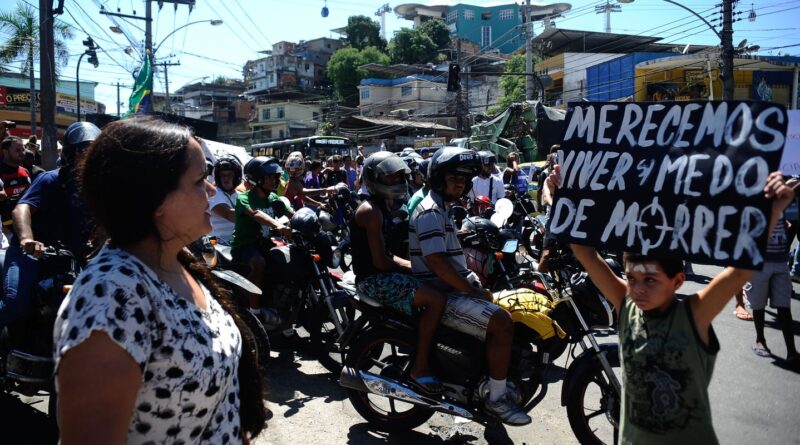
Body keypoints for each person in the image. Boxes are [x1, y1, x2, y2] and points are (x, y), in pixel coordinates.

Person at [54, 117, 266, 444]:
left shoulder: (177, 262)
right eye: (199, 181)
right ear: (154, 200)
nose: (211, 191)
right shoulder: (113, 296)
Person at [547, 165, 794, 444]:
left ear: (677, 281)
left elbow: (738, 271)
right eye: (631, 277)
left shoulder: (693, 315)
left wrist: (773, 210)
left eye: (650, 280)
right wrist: (563, 195)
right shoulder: (627, 303)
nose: (637, 289)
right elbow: (584, 252)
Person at [409, 146, 531, 425]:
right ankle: (497, 399)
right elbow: (438, 264)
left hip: (452, 288)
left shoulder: (444, 209)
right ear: (439, 178)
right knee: (501, 322)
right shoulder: (429, 211)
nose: (460, 183)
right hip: (443, 293)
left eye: (464, 179)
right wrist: (473, 291)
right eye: (454, 178)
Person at [351, 152, 447, 394]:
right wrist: (416, 267)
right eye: (390, 177)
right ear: (374, 179)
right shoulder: (370, 211)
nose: (397, 182)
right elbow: (382, 261)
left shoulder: (388, 207)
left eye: (398, 177)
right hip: (373, 280)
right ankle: (420, 366)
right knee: (436, 300)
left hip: (385, 274)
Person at [0, 123, 99, 331]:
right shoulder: (51, 179)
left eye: (94, 151)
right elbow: (22, 209)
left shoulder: (97, 188)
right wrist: (27, 239)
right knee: (15, 303)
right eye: (83, 150)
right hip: (31, 254)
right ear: (71, 153)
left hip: (71, 259)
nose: (89, 156)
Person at [230, 156, 293, 319]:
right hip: (245, 245)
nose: (275, 180)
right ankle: (255, 311)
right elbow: (256, 214)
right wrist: (277, 225)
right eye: (270, 177)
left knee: (288, 262)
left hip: (265, 243)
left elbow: (290, 212)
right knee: (259, 263)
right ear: (257, 179)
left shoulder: (273, 198)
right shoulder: (244, 198)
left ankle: (282, 308)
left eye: (276, 176)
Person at [748, 213, 798, 366]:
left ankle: (791, 350)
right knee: (758, 304)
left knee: (784, 306)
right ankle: (760, 339)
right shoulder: (758, 199)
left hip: (780, 261)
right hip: (760, 262)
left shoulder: (783, 202)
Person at [0, 136, 32, 234]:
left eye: (23, 149)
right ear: (5, 152)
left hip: (25, 228)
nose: (22, 153)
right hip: (5, 232)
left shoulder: (25, 171)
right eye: (17, 150)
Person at [208, 155, 243, 245]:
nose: (225, 178)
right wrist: (258, 216)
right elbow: (229, 214)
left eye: (230, 175)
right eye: (222, 175)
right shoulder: (214, 193)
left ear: (237, 176)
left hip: (234, 243)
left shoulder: (240, 195)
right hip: (214, 242)